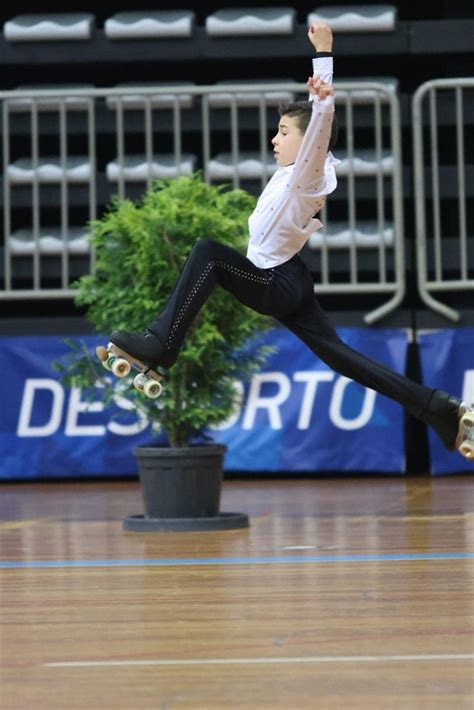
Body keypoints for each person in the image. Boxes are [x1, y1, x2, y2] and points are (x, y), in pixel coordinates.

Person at [109, 21, 473, 459]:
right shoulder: (295, 175)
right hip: (291, 277)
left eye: (283, 131)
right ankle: (437, 408)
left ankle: (160, 344)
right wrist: (317, 97)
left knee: (208, 253)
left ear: (308, 144)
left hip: (274, 282)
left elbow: (320, 128)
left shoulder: (308, 174)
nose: (273, 138)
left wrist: (325, 60)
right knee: (341, 356)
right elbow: (315, 133)